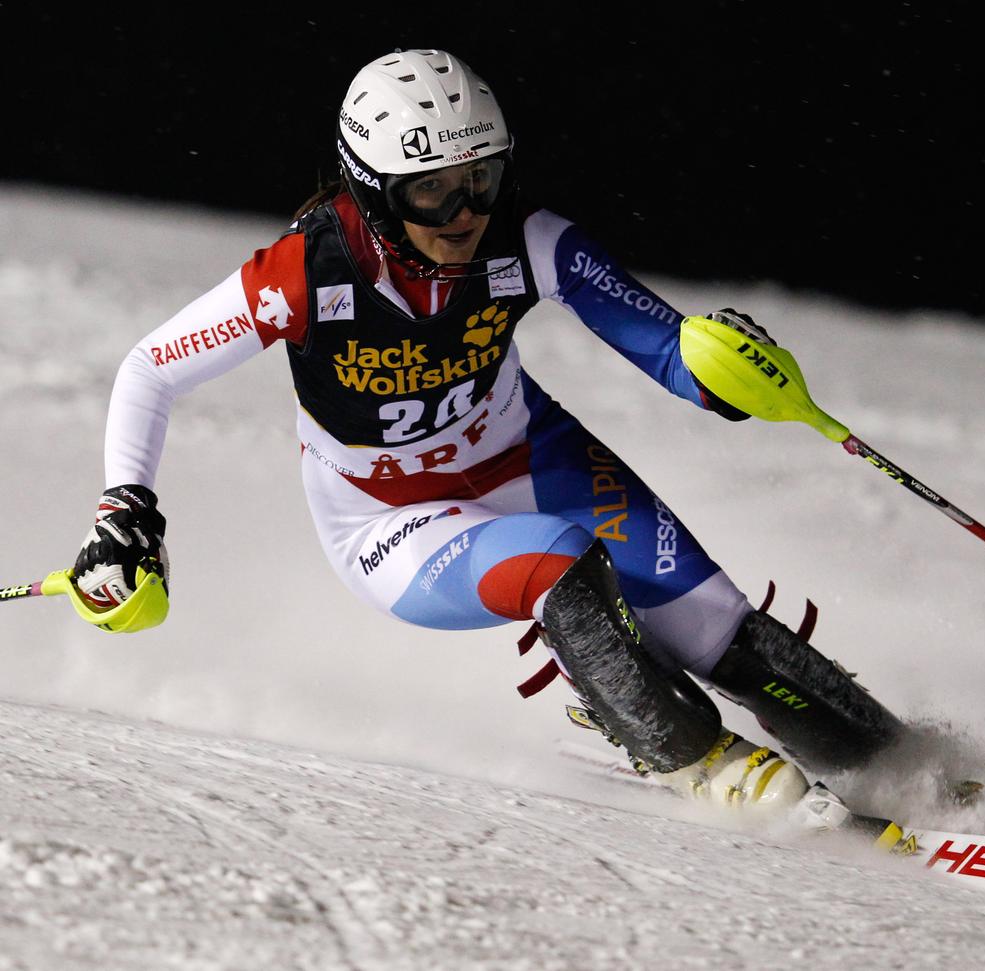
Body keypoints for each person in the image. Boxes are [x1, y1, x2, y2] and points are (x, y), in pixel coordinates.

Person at [74, 49, 904, 827]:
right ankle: (701, 761)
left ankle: (908, 767)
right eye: (433, 191)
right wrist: (126, 511)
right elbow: (151, 367)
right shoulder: (304, 273)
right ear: (372, 191)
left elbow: (666, 346)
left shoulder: (528, 238)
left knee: (716, 624)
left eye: (483, 178)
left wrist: (723, 370)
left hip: (533, 456)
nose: (467, 212)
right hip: (388, 521)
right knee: (559, 563)